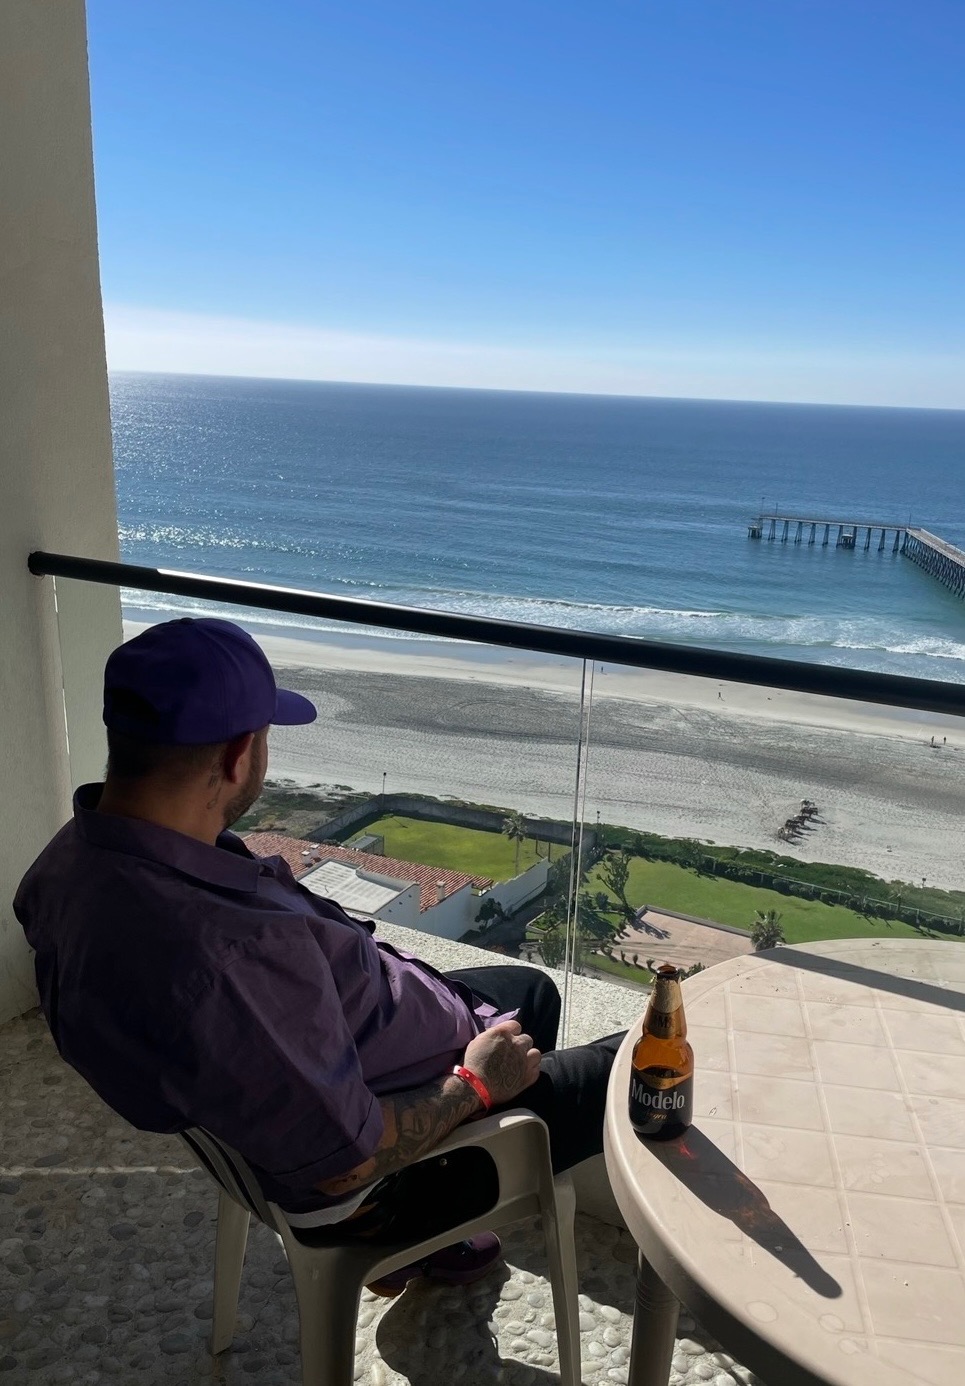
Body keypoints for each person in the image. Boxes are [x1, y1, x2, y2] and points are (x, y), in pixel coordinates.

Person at [15, 618, 623, 1297]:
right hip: (371, 1190)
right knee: (634, 1064)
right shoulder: (229, 958)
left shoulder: (68, 863)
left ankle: (436, 1234)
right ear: (238, 755)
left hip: (320, 1070)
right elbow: (343, 1168)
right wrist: (477, 1087)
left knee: (531, 989)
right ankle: (417, 1235)